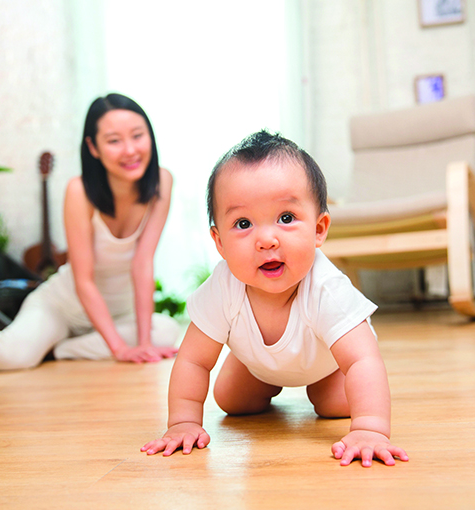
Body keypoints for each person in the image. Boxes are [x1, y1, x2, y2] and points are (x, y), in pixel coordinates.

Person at [141, 130, 409, 467]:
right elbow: (194, 360)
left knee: (335, 405)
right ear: (219, 242)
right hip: (258, 365)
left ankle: (321, 385)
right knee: (230, 401)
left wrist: (371, 429)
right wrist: (182, 422)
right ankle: (257, 367)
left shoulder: (325, 288)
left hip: (327, 363)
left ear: (319, 229)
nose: (266, 239)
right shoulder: (223, 286)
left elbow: (362, 360)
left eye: (286, 218)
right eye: (243, 223)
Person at [0, 93, 180, 370]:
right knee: (12, 358)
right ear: (93, 147)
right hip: (63, 307)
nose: (130, 150)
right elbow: (84, 280)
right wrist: (119, 349)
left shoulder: (162, 181)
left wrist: (143, 344)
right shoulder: (80, 191)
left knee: (165, 331)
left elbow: (142, 264)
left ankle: (58, 349)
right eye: (114, 141)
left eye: (138, 136)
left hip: (119, 311)